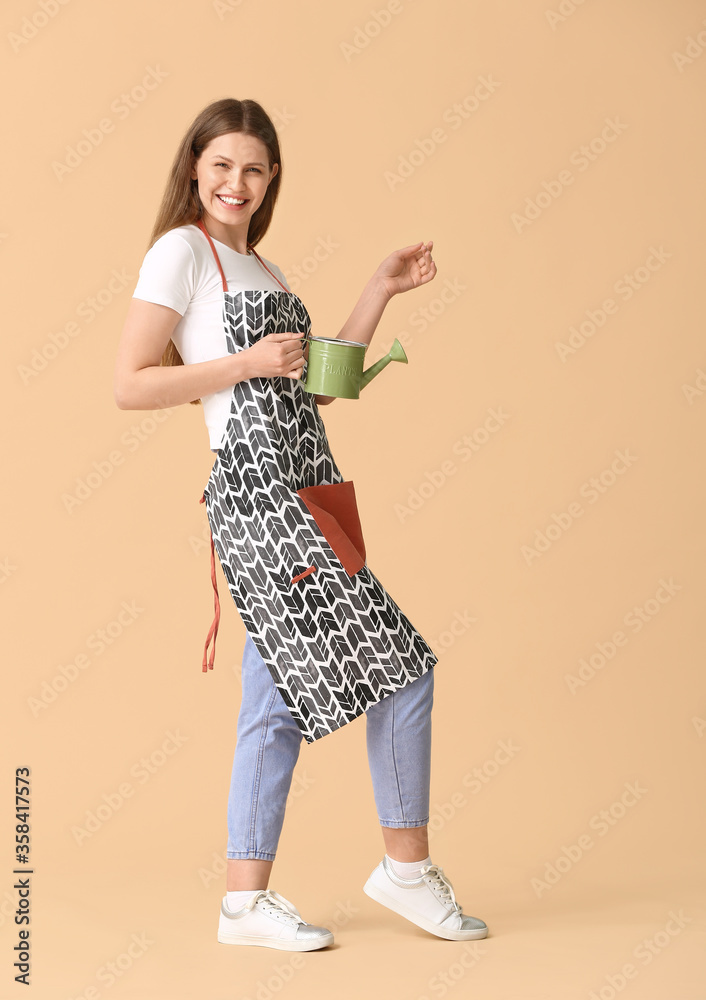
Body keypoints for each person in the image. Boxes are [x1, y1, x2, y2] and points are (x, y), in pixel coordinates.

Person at [114, 97, 488, 952]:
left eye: (251, 168)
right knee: (401, 668)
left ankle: (246, 903)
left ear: (271, 176)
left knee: (278, 694)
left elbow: (316, 390)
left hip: (312, 486)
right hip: (259, 497)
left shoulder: (268, 272)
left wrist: (377, 293)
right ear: (194, 168)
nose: (233, 183)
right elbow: (130, 381)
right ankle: (403, 870)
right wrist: (244, 362)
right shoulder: (183, 252)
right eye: (219, 166)